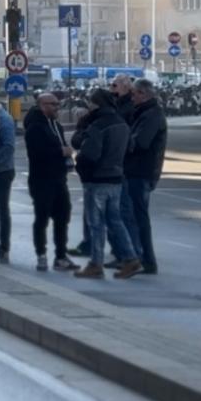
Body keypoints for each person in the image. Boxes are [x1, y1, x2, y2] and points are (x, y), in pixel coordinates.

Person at [72, 89, 141, 280]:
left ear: (95, 104)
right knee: (115, 221)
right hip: (116, 178)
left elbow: (89, 154)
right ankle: (130, 258)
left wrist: (80, 165)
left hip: (97, 179)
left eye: (90, 102)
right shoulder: (121, 123)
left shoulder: (97, 125)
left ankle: (96, 264)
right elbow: (131, 147)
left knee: (96, 224)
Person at [23, 92, 76, 272]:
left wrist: (66, 156)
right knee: (42, 218)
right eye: (53, 104)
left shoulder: (56, 125)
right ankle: (41, 255)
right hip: (41, 179)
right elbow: (36, 153)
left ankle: (61, 256)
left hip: (59, 178)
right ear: (42, 106)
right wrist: (61, 152)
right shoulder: (35, 127)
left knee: (62, 217)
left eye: (57, 104)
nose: (57, 107)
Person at [123, 79, 168, 274]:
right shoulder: (143, 113)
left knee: (138, 217)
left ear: (143, 94)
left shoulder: (151, 115)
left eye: (134, 94)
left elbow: (141, 142)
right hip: (136, 170)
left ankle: (146, 259)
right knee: (134, 216)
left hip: (141, 171)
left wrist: (122, 142)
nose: (132, 98)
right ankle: (139, 257)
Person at [0, 100, 17, 265]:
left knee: (2, 209)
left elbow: (8, 146)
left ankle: (4, 247)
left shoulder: (4, 119)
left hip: (2, 171)